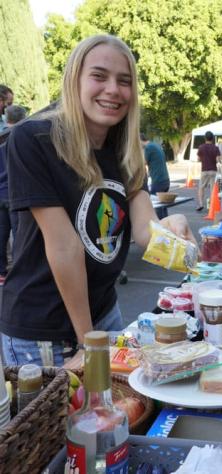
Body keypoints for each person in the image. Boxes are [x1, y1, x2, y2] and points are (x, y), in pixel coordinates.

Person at [0, 34, 196, 367]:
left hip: (105, 314)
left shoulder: (125, 148)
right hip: (44, 331)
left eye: (124, 81)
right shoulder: (33, 138)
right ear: (74, 78)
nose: (113, 90)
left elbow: (146, 233)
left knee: (117, 416)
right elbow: (65, 247)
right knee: (61, 420)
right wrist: (87, 343)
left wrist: (175, 233)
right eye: (99, 76)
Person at [0, 105, 26, 284]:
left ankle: (1, 272)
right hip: (17, 192)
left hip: (0, 193)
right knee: (20, 234)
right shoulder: (23, 136)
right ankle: (21, 271)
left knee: (1, 235)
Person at [140, 132, 170, 219]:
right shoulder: (155, 145)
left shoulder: (149, 148)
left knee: (156, 207)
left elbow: (142, 163)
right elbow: (154, 165)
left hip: (158, 181)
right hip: (165, 180)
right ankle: (165, 225)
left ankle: (160, 228)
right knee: (162, 207)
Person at [196, 130, 221, 211]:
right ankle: (212, 206)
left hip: (204, 170)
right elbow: (218, 160)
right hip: (213, 170)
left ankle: (201, 204)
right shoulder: (216, 148)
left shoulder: (201, 147)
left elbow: (198, 159)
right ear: (212, 138)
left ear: (205, 138)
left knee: (201, 187)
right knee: (212, 189)